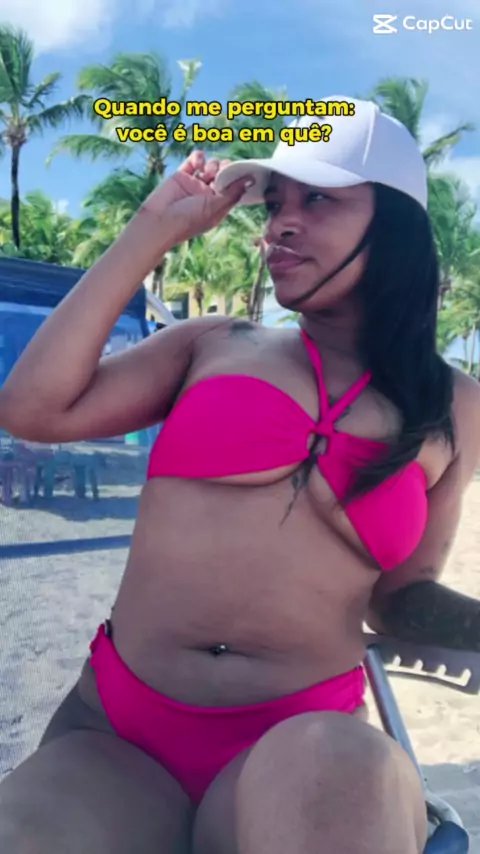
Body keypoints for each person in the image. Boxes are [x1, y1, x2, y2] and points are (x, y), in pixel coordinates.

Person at [0, 96, 479, 854]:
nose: (280, 224)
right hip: (118, 738)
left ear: (393, 224)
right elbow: (32, 409)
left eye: (317, 200)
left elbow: (401, 595)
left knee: (337, 769)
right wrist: (152, 230)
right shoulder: (216, 342)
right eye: (277, 202)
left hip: (298, 746)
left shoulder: (453, 404)